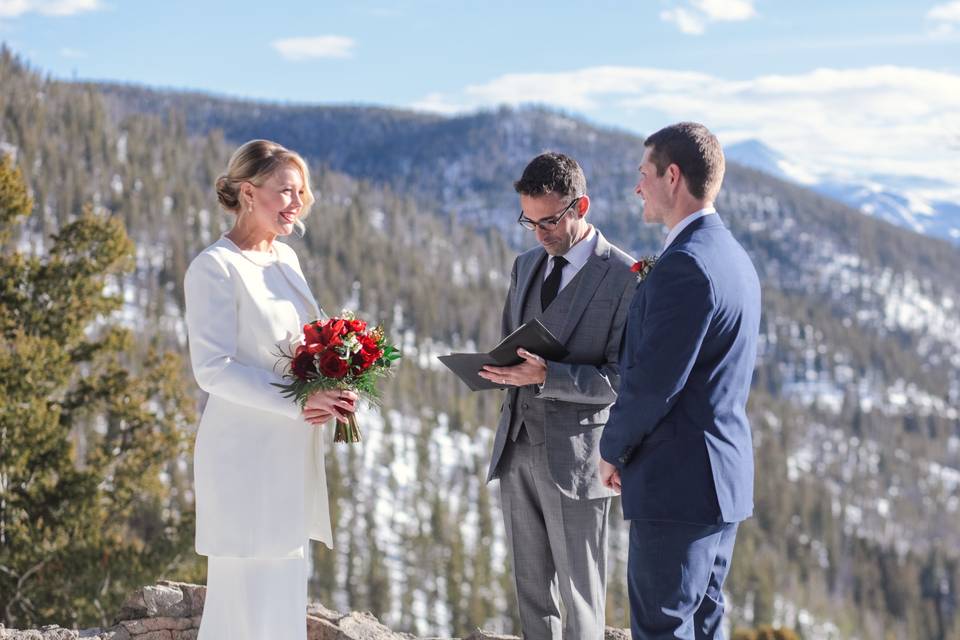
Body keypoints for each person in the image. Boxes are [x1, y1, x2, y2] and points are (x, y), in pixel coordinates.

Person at [183, 139, 357, 640]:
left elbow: (300, 348)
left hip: (290, 452)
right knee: (242, 606)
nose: (296, 202)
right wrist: (302, 399)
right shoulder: (214, 267)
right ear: (247, 191)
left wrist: (338, 379)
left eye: (301, 192)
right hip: (243, 454)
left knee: (281, 599)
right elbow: (213, 368)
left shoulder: (285, 259)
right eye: (285, 190)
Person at [598, 122, 761, 640]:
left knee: (662, 628)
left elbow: (654, 384)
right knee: (704, 625)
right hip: (718, 482)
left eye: (644, 174)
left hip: (679, 483)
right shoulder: (731, 256)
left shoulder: (686, 265)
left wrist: (613, 449)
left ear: (673, 176)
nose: (637, 186)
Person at [479, 152, 637, 640]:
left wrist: (550, 376)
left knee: (580, 594)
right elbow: (513, 343)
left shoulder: (625, 276)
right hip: (516, 444)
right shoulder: (525, 265)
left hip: (579, 458)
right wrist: (497, 370)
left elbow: (622, 378)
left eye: (549, 220)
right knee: (530, 590)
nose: (539, 232)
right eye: (529, 220)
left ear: (580, 206)